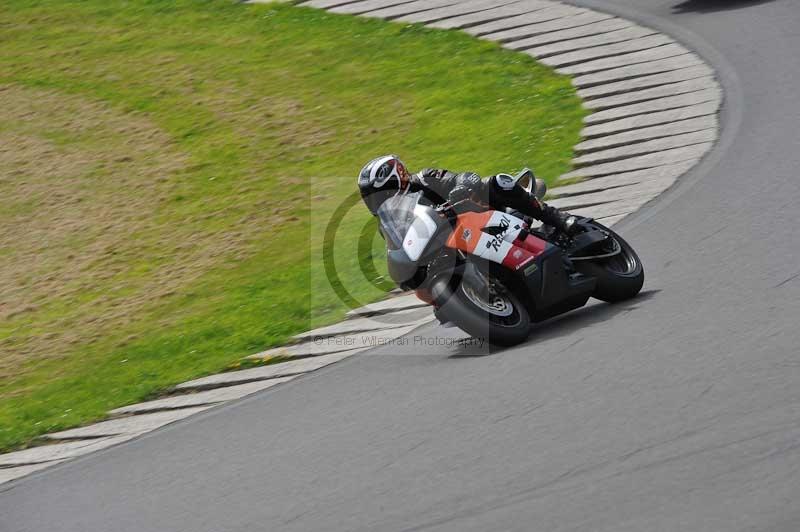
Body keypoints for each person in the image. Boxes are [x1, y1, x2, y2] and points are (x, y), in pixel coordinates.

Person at [357, 154, 581, 234]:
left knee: (498, 182)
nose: (377, 202)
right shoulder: (388, 225)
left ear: (397, 179)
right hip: (449, 242)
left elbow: (463, 177)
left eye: (378, 195)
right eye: (371, 198)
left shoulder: (425, 178)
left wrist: (460, 189)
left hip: (477, 214)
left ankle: (557, 218)